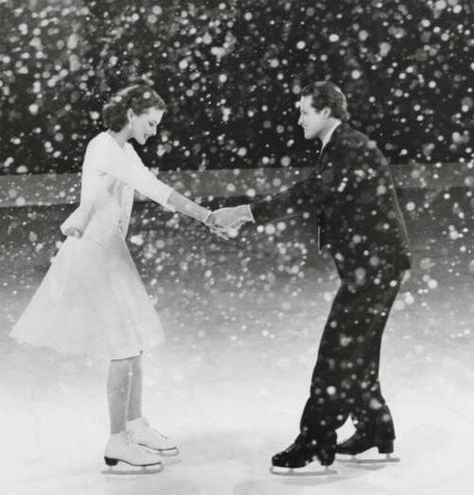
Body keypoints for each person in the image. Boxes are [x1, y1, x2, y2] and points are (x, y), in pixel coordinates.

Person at [11, 82, 221, 470]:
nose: (154, 132)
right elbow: (156, 190)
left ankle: (135, 423)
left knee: (135, 341)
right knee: (123, 348)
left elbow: (131, 188)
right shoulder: (105, 147)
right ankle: (116, 440)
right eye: (151, 124)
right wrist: (207, 216)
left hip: (110, 253)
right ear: (131, 115)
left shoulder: (122, 150)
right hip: (95, 255)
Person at [210, 81, 411, 469]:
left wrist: (245, 213)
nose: (299, 119)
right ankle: (375, 428)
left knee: (337, 354)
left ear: (325, 112)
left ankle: (316, 439)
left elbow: (313, 192)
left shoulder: (349, 146)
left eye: (304, 111)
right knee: (358, 350)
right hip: (375, 265)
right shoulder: (343, 144)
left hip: (375, 267)